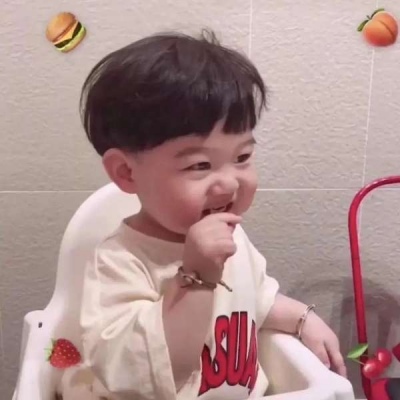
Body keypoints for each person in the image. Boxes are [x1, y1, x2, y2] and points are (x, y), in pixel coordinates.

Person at [75, 30, 346, 400]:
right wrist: (198, 276)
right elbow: (149, 373)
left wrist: (303, 319)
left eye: (242, 157)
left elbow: (255, 300)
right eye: (200, 165)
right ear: (127, 172)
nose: (229, 183)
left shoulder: (233, 239)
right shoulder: (120, 263)